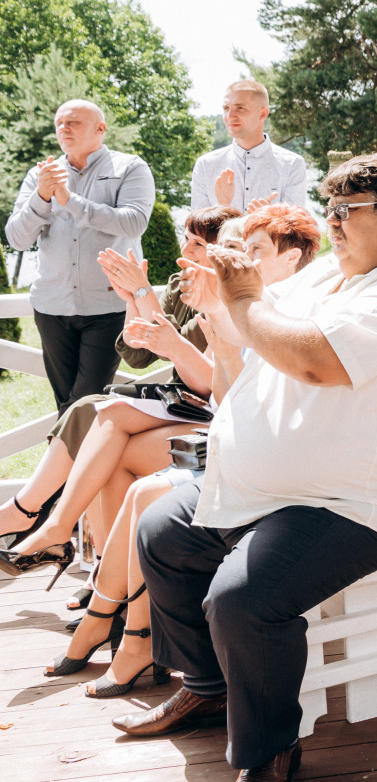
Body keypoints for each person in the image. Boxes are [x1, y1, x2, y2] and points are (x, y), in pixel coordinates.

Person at [114, 153, 377, 782]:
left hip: (356, 501)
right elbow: (252, 333)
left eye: (347, 210)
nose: (331, 222)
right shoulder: (332, 274)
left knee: (242, 600)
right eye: (327, 208)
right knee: (162, 534)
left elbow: (311, 360)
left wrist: (245, 296)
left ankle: (268, 751)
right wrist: (217, 304)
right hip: (274, 487)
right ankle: (209, 684)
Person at [43, 203, 321, 695]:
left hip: (257, 455)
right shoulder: (231, 300)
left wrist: (179, 319)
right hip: (228, 438)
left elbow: (225, 396)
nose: (232, 259)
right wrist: (147, 299)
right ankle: (116, 616)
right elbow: (141, 353)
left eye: (248, 249)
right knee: (112, 443)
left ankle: (120, 625)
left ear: (292, 259)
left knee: (136, 474)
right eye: (234, 249)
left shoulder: (292, 311)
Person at [0, 205, 240, 553]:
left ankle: (39, 523)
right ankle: (83, 557)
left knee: (92, 417)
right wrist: (131, 298)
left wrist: (144, 293)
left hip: (201, 404)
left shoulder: (225, 297)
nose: (185, 251)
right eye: (186, 240)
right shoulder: (179, 283)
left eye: (197, 245)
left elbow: (181, 350)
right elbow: (138, 353)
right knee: (90, 414)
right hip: (178, 398)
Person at [6, 100, 155, 416]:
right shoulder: (39, 176)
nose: (64, 129)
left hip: (109, 305)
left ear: (100, 128)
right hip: (51, 306)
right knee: (68, 404)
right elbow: (17, 239)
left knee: (85, 403)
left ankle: (65, 460)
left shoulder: (130, 167)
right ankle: (77, 462)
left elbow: (133, 222)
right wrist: (42, 197)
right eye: (59, 123)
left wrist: (68, 199)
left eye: (73, 122)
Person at [189, 81, 309, 212]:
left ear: (263, 113)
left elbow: (296, 228)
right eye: (226, 108)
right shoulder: (205, 165)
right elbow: (195, 229)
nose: (229, 116)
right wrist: (222, 207)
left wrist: (267, 221)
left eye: (240, 108)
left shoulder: (292, 165)